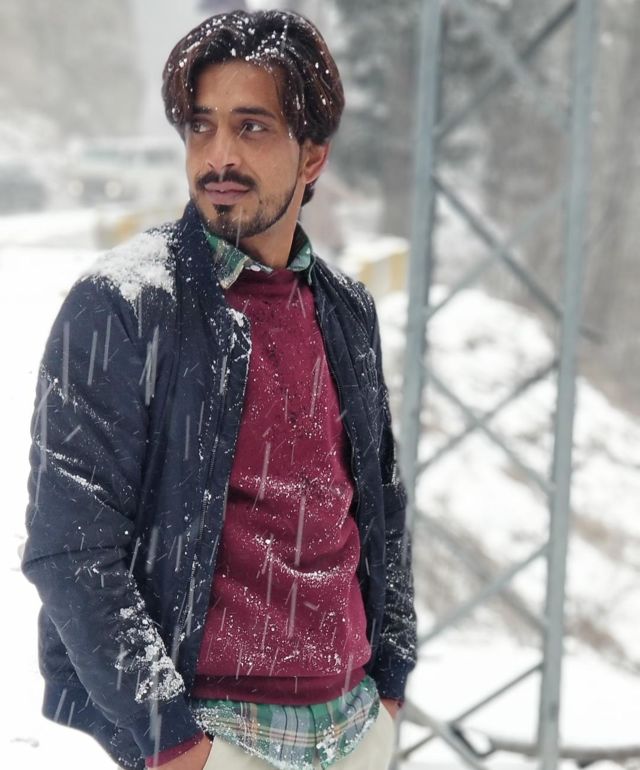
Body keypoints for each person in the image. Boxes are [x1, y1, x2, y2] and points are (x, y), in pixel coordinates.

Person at [22, 10, 417, 770]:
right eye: (201, 127)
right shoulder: (125, 305)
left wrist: (389, 687)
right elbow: (71, 547)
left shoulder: (345, 310)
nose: (219, 156)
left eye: (252, 127)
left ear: (313, 156)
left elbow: (381, 511)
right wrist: (174, 743)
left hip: (354, 727)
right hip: (215, 733)